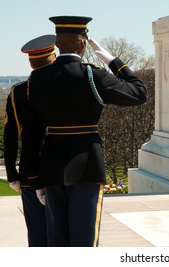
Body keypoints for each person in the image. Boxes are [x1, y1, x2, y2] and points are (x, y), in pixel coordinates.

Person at [22, 16, 147, 247]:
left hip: (51, 167)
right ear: (83, 44)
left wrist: (35, 178)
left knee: (57, 241)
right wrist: (112, 60)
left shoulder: (37, 79)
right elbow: (139, 93)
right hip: (87, 165)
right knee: (84, 241)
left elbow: (30, 134)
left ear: (57, 43)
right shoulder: (93, 75)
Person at [3, 34, 56, 246]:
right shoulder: (66, 86)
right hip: (63, 168)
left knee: (37, 234)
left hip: (30, 171)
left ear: (31, 61)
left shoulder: (17, 92)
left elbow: (10, 135)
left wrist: (12, 172)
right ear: (53, 57)